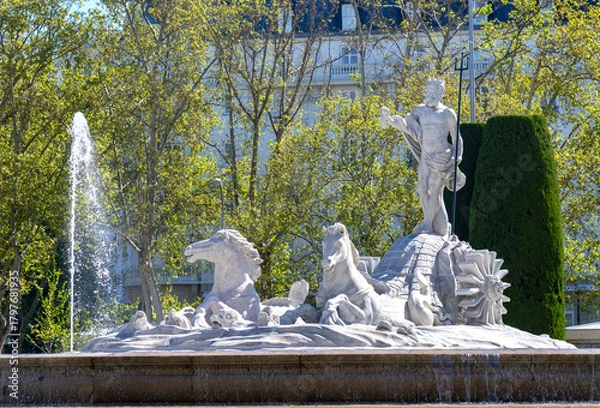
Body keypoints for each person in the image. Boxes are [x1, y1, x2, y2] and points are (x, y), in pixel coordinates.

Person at [380, 78, 465, 236]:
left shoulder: (448, 113)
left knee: (434, 189)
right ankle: (434, 222)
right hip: (425, 157)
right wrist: (390, 120)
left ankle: (427, 223)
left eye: (429, 90)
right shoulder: (419, 110)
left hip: (441, 158)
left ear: (439, 93)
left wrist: (455, 158)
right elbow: (408, 126)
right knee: (421, 188)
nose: (426, 93)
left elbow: (456, 139)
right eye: (426, 90)